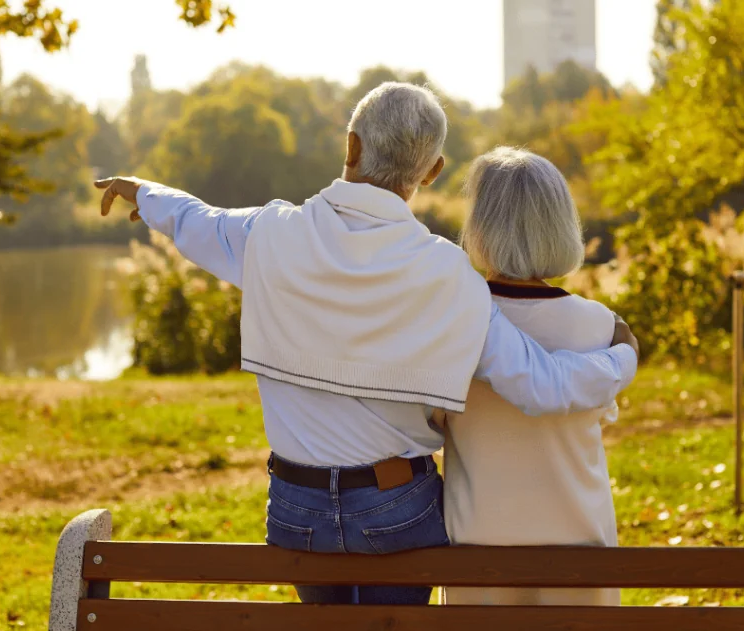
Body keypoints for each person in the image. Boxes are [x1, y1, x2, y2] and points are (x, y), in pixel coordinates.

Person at [95, 83, 639, 607]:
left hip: (295, 510)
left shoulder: (270, 234)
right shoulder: (446, 273)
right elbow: (540, 384)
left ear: (350, 145)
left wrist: (145, 192)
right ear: (432, 171)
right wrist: (621, 356)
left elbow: (198, 222)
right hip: (397, 511)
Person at [441, 147, 623, 608]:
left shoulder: (451, 322)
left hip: (477, 548)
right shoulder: (600, 326)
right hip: (580, 545)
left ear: (480, 228)